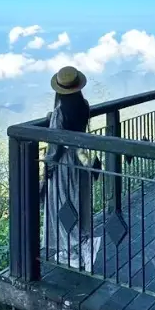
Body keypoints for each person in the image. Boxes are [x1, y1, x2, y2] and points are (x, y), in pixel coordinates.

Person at [44, 66, 101, 272]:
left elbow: (54, 144)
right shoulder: (84, 105)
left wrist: (48, 166)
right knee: (78, 202)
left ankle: (73, 250)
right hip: (82, 159)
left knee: (63, 205)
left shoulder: (59, 112)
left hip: (65, 164)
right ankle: (82, 244)